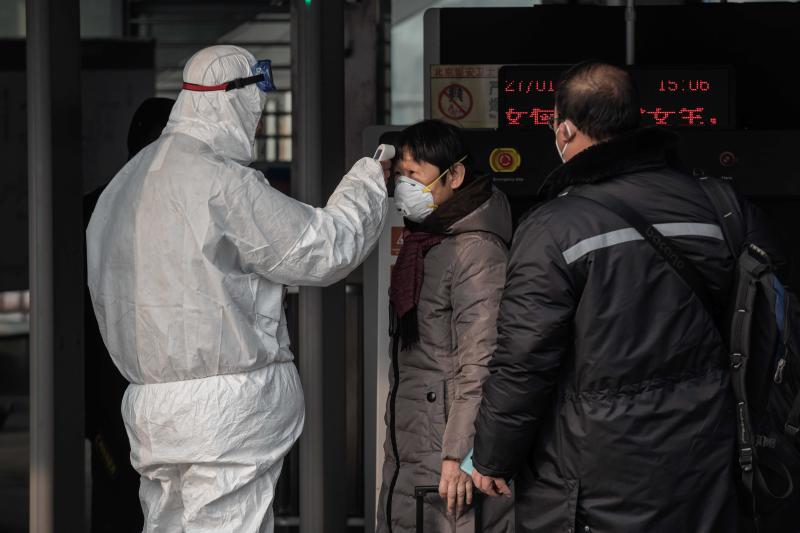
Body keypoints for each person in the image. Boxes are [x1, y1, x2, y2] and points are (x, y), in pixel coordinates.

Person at [86, 45, 388, 532]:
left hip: (151, 412)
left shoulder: (123, 186)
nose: (260, 124)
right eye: (257, 111)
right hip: (224, 416)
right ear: (235, 100)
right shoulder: (221, 182)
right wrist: (370, 179)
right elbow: (322, 248)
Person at [470, 62, 778, 532]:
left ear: (565, 129)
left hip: (595, 478)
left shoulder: (553, 227)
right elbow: (769, 321)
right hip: (706, 465)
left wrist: (493, 456)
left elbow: (524, 358)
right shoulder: (723, 207)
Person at [376, 120, 515, 533]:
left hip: (448, 458)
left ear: (454, 175)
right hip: (418, 443)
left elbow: (482, 363)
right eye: (399, 175)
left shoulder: (477, 251)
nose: (404, 186)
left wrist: (458, 455)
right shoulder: (427, 244)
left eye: (414, 174)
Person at [84, 96, 175, 533]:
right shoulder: (97, 210)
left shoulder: (95, 207)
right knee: (126, 501)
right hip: (118, 397)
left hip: (130, 396)